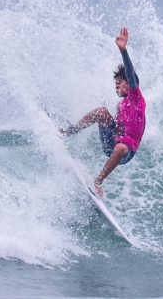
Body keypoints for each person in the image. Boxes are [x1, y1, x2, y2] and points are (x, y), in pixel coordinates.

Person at [60, 27, 146, 197]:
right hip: (111, 142)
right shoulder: (121, 105)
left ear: (129, 83)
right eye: (115, 83)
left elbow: (129, 71)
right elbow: (116, 125)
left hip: (126, 152)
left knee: (121, 147)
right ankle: (66, 132)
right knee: (101, 111)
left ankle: (97, 181)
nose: (116, 86)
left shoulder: (136, 98)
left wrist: (123, 50)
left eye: (119, 82)